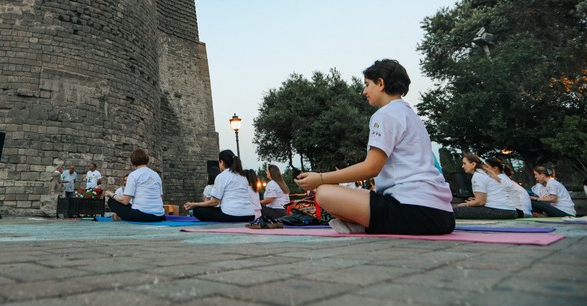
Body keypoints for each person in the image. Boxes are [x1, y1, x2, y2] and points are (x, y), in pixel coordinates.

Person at [294, 59, 455, 235]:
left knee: (324, 193)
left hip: (414, 210)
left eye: (367, 84)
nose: (364, 91)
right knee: (351, 195)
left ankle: (366, 225)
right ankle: (365, 225)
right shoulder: (410, 115)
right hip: (443, 214)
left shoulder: (386, 114)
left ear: (380, 83)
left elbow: (372, 167)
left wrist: (321, 178)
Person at [183, 149, 255, 222]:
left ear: (221, 162)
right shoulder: (242, 177)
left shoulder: (222, 176)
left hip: (232, 215)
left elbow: (215, 202)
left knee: (197, 210)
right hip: (250, 215)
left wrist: (195, 204)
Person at [104, 148, 165, 222]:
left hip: (142, 215)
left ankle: (120, 216)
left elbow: (125, 201)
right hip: (160, 216)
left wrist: (111, 194)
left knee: (112, 201)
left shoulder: (133, 175)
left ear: (133, 161)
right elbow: (160, 197)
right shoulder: (156, 175)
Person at [452, 153, 519, 219]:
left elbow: (480, 201)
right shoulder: (485, 173)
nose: (462, 166)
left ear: (473, 164)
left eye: (464, 163)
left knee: (455, 211)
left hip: (499, 210)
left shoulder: (478, 176)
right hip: (510, 211)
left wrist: (466, 204)